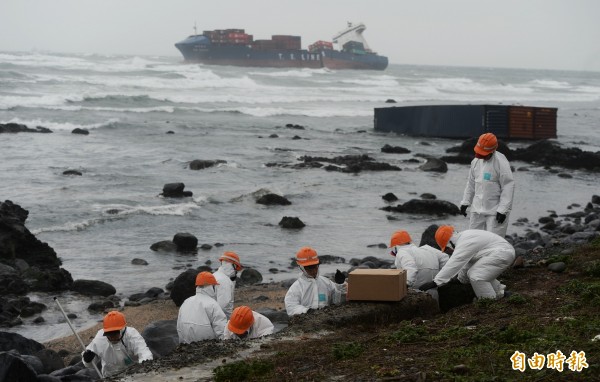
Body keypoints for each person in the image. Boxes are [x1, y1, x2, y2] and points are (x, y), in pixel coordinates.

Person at [419, 225, 515, 300]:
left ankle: (489, 303)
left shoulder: (464, 243)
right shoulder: (465, 238)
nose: (448, 253)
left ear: (450, 244)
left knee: (477, 276)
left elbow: (454, 263)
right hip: (501, 252)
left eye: (446, 250)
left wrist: (435, 282)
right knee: (482, 271)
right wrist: (460, 279)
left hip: (502, 253)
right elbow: (467, 264)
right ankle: (500, 293)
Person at [460, 133, 515, 237]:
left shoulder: (501, 162)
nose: (481, 156)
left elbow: (508, 186)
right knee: (473, 240)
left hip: (495, 212)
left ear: (492, 151)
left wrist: (503, 210)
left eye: (484, 153)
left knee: (494, 242)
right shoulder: (475, 162)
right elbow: (471, 183)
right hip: (477, 210)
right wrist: (465, 202)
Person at [81, 311, 153, 378]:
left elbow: (145, 353)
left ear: (122, 330)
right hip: (110, 377)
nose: (112, 336)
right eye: (109, 333)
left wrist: (143, 370)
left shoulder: (132, 335)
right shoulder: (100, 339)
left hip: (133, 375)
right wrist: (87, 359)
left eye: (115, 333)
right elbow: (90, 365)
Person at [284, 246, 347, 316]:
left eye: (315, 266)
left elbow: (338, 302)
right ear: (301, 267)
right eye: (309, 268)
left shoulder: (327, 283)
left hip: (325, 320)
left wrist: (340, 284)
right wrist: (307, 311)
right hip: (305, 323)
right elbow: (291, 307)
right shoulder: (296, 288)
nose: (313, 270)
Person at [388, 230, 449, 299]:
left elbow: (411, 268)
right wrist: (439, 278)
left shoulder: (402, 252)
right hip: (433, 291)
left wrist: (404, 286)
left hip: (415, 294)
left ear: (395, 246)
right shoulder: (427, 249)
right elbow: (445, 258)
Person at [177, 271, 227, 343]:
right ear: (211, 286)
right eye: (214, 286)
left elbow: (179, 327)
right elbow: (221, 329)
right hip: (207, 345)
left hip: (187, 344)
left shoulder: (186, 302)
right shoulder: (213, 304)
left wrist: (182, 343)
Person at [213, 251, 243, 318]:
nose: (236, 271)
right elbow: (223, 307)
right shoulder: (225, 281)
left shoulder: (215, 275)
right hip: (218, 320)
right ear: (233, 265)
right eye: (236, 268)